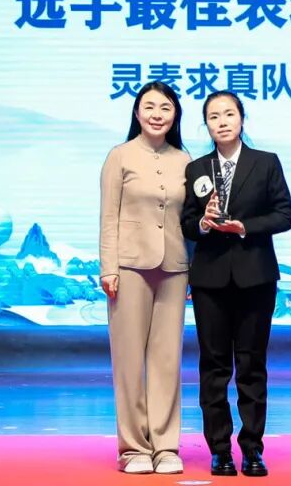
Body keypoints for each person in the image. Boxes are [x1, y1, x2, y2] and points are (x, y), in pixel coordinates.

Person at [181, 91, 291, 478]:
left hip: (255, 278)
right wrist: (202, 223)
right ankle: (219, 450)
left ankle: (252, 449)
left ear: (242, 119)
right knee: (214, 367)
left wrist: (245, 226)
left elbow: (285, 215)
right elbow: (186, 223)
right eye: (214, 116)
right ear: (206, 125)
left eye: (229, 114)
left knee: (251, 366)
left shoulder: (266, 163)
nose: (222, 122)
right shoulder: (197, 169)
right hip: (210, 279)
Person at [99, 81, 191, 474]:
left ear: (175, 115)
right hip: (129, 267)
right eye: (149, 106)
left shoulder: (184, 159)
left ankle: (166, 446)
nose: (157, 114)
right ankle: (133, 448)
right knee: (128, 359)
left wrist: (194, 271)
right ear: (137, 112)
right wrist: (108, 267)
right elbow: (108, 216)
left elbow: (191, 220)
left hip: (174, 267)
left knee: (167, 360)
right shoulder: (120, 156)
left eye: (165, 107)